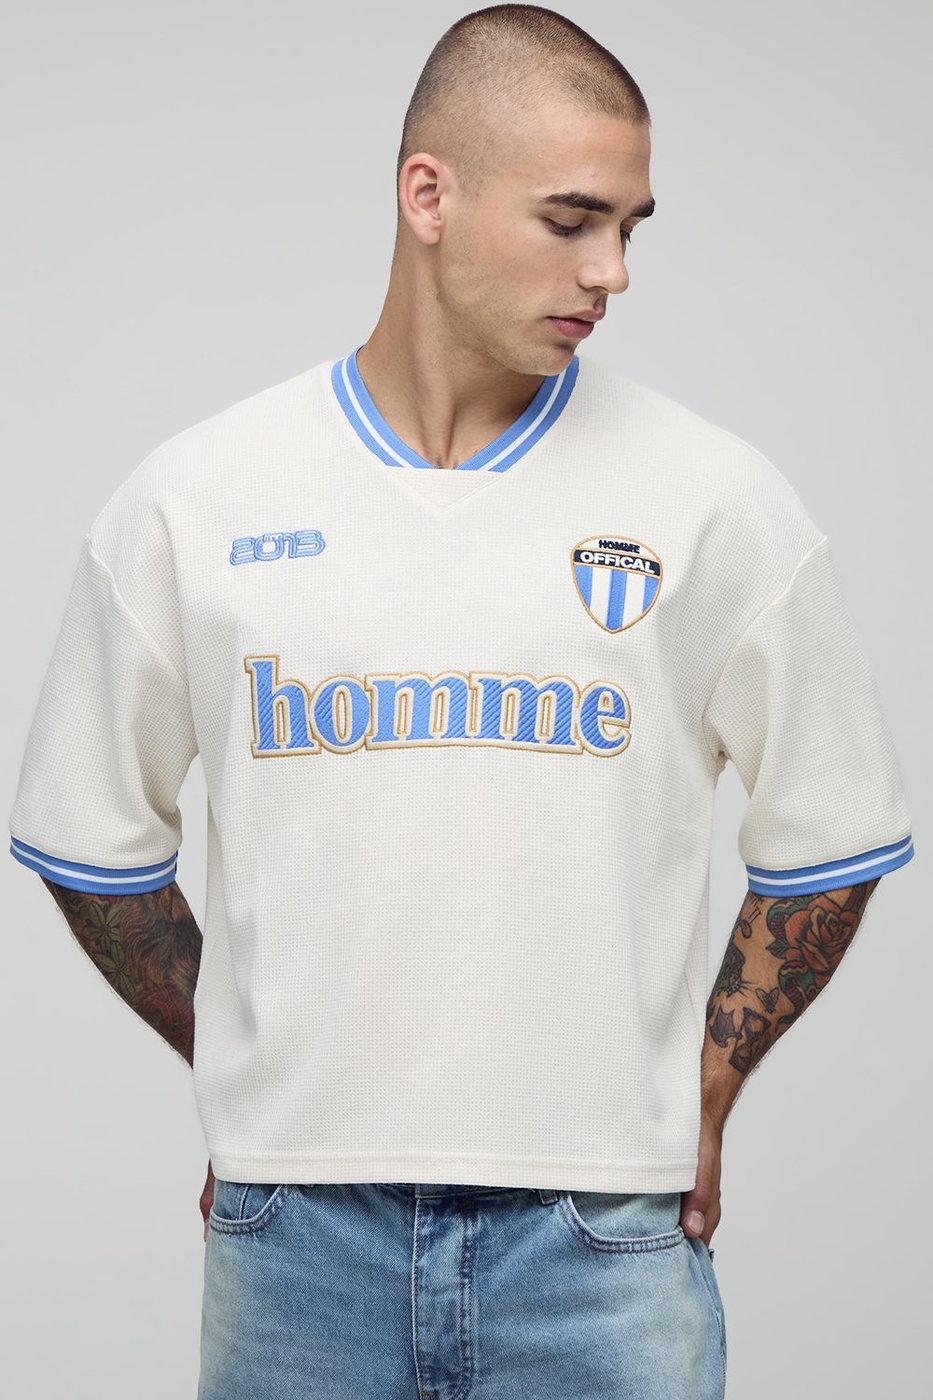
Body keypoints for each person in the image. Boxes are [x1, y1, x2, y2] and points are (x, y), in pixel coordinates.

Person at [9, 5, 914, 1398]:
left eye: (630, 226)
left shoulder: (713, 498)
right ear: (426, 194)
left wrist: (708, 1082)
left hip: (604, 1241)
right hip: (295, 1241)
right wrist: (259, 1068)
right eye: (571, 219)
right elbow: (90, 836)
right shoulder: (198, 498)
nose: (612, 270)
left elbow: (831, 833)